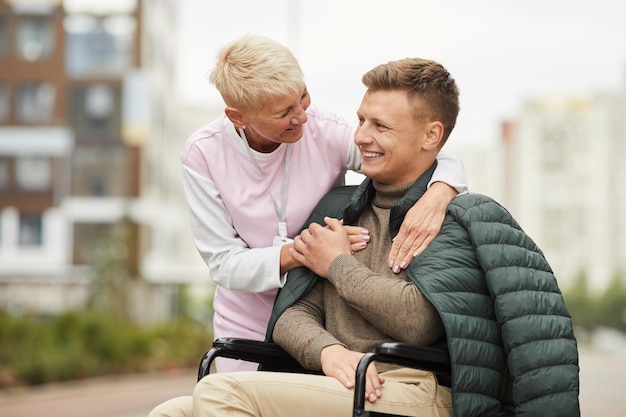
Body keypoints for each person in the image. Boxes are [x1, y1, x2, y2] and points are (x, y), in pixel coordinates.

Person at [187, 57, 580, 417]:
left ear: (431, 136)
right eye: (361, 121)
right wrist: (330, 351)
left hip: (415, 387)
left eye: (380, 126)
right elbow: (293, 312)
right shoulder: (340, 207)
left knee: (222, 394)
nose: (359, 137)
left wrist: (336, 264)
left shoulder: (451, 219)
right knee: (174, 412)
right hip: (340, 383)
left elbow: (418, 320)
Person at [180, 34, 468, 374]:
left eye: (302, 96)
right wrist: (306, 251)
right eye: (284, 112)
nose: (302, 116)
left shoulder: (325, 130)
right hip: (247, 322)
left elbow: (424, 152)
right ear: (238, 116)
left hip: (322, 318)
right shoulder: (203, 154)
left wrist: (441, 191)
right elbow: (224, 264)